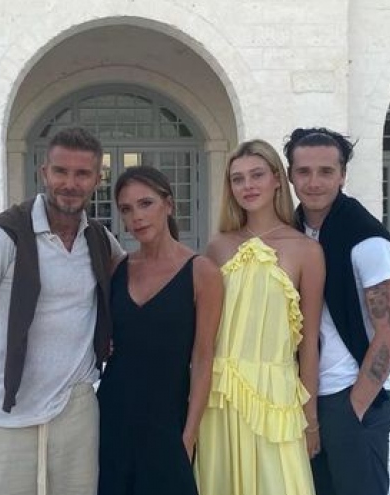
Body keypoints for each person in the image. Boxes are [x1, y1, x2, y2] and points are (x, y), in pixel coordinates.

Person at [0, 127, 124, 495]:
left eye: (82, 173)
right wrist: (8, 361)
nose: (70, 183)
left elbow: (134, 284)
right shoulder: (1, 238)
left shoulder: (99, 240)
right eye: (61, 171)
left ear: (97, 179)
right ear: (44, 173)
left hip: (75, 411)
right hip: (6, 412)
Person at [195, 139, 324, 495]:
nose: (247, 186)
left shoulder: (307, 251)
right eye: (237, 179)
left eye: (257, 175)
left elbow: (309, 343)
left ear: (277, 179)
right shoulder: (217, 246)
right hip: (219, 396)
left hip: (276, 398)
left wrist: (310, 419)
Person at [285, 127, 390, 495]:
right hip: (299, 395)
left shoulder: (367, 240)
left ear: (343, 175)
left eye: (326, 171)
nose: (314, 182)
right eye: (304, 171)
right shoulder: (291, 232)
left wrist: (356, 407)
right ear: (290, 175)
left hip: (347, 396)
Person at [97, 165, 224, 495]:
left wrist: (189, 435)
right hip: (112, 414)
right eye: (126, 209)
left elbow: (203, 358)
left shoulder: (202, 272)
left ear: (168, 205)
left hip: (168, 421)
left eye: (146, 203)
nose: (136, 217)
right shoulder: (117, 267)